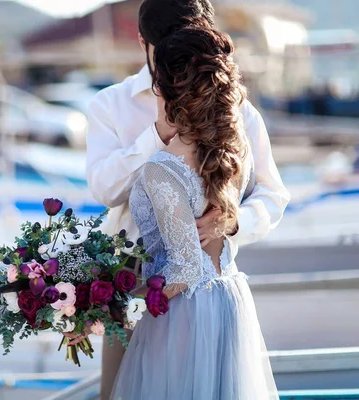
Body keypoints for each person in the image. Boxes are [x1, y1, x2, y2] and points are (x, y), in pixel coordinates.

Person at [78, 1, 289, 398]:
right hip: (129, 282)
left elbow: (273, 194)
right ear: (144, 41)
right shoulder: (110, 104)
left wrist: (233, 220)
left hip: (206, 296)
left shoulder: (238, 110)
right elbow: (104, 189)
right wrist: (156, 134)